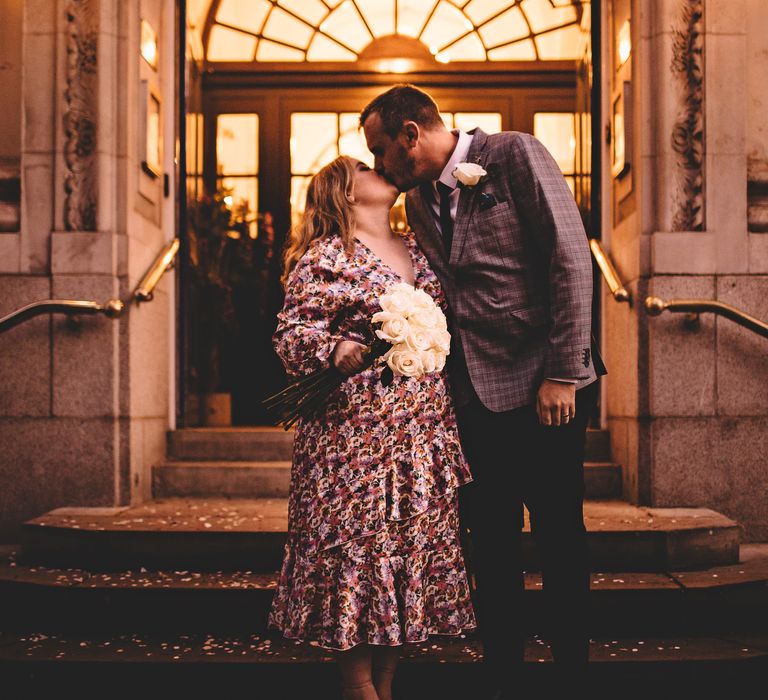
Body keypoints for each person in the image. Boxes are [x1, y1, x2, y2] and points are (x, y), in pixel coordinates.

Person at [361, 84, 607, 697]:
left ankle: (572, 674)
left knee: (557, 533)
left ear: (412, 134)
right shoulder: (418, 200)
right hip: (470, 395)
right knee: (491, 542)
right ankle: (504, 674)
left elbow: (571, 259)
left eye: (381, 149)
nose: (380, 164)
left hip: (545, 387)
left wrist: (564, 372)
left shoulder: (515, 154)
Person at [267, 155, 477, 700]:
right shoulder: (327, 255)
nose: (380, 167)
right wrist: (335, 349)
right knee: (356, 552)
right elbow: (292, 333)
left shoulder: (419, 247)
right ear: (345, 191)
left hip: (420, 431)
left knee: (406, 554)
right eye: (365, 165)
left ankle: (385, 686)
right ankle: (358, 687)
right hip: (352, 437)